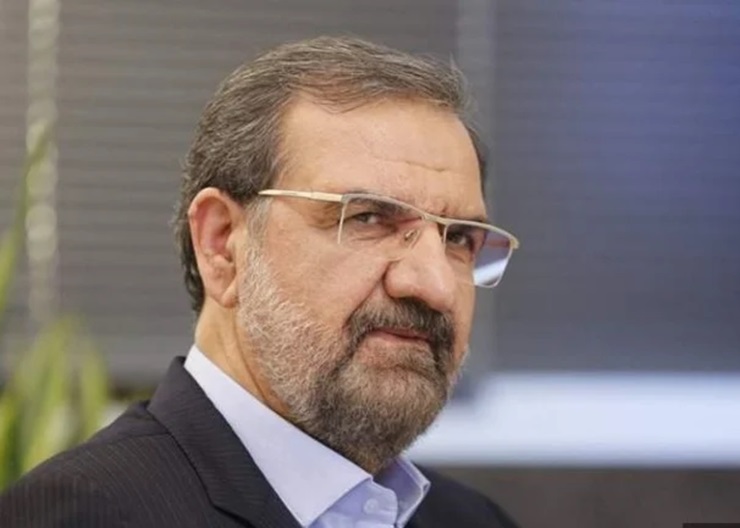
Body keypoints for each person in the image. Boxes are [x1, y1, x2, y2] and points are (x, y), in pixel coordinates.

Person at [0, 36, 520, 527]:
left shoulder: (473, 519)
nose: (435, 285)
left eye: (459, 238)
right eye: (368, 218)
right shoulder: (83, 514)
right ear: (222, 245)